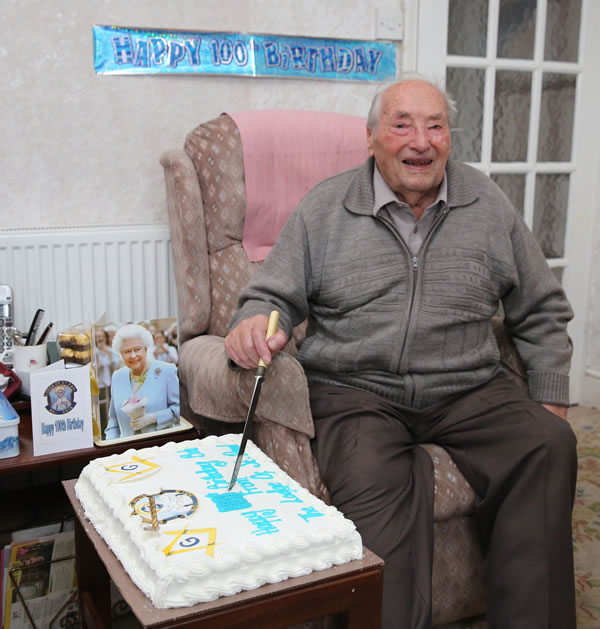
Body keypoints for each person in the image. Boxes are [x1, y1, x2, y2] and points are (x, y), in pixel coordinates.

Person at [224, 76, 577, 628]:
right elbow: (270, 296)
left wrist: (550, 396)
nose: (421, 141)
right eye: (402, 124)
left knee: (548, 444)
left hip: (469, 386)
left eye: (435, 126)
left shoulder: (487, 203)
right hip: (357, 391)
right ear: (371, 139)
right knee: (376, 497)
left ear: (449, 138)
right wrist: (251, 326)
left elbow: (542, 307)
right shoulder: (325, 208)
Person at [105, 323, 180, 440]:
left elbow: (179, 410)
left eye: (137, 349)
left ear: (146, 348)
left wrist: (153, 418)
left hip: (161, 446)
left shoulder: (167, 371)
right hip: (127, 449)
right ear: (121, 354)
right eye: (127, 351)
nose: (133, 355)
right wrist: (110, 447)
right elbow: (113, 421)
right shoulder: (117, 376)